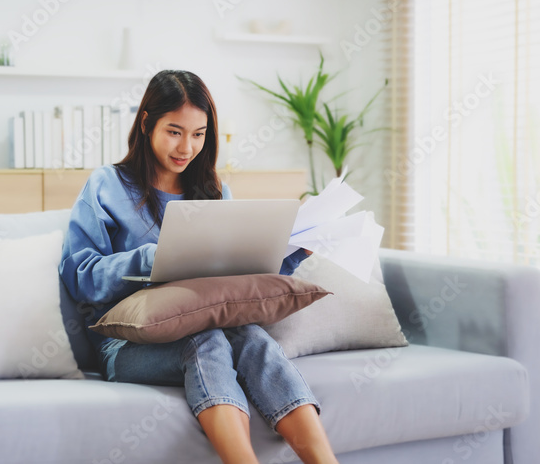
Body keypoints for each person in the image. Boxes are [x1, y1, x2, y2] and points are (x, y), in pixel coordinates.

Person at [58, 70, 339, 464]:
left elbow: (236, 280)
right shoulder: (107, 185)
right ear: (146, 123)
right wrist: (153, 257)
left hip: (208, 321)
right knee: (204, 342)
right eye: (174, 131)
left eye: (199, 134)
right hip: (125, 344)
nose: (186, 147)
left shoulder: (214, 190)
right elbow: (79, 277)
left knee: (253, 338)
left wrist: (292, 253)